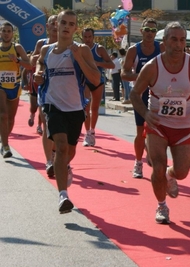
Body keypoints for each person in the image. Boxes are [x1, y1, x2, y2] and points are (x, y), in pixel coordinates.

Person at [130, 21, 190, 224]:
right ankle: (162, 206)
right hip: (157, 125)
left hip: (183, 127)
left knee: (182, 172)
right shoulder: (152, 67)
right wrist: (146, 114)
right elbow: (135, 94)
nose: (178, 44)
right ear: (164, 41)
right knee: (157, 166)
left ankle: (169, 175)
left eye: (182, 40)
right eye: (174, 39)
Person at [34, 10, 100, 214]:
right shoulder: (46, 50)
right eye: (63, 22)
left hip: (75, 108)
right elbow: (39, 64)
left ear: (75, 28)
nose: (65, 26)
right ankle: (63, 196)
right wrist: (38, 73)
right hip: (52, 105)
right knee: (62, 147)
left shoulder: (81, 50)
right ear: (56, 25)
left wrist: (79, 58)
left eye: (71, 24)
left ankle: (61, 164)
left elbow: (96, 80)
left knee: (69, 151)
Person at [121, 18, 165, 179]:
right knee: (141, 131)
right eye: (147, 30)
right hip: (140, 95)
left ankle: (159, 159)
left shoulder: (161, 48)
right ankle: (138, 162)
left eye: (153, 31)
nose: (150, 33)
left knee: (160, 131)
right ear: (141, 31)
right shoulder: (134, 50)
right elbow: (124, 74)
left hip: (159, 95)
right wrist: (141, 77)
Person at [31, 15, 58, 177]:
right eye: (52, 24)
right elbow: (32, 60)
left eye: (58, 23)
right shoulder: (42, 44)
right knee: (48, 124)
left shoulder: (69, 45)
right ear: (47, 26)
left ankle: (55, 153)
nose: (55, 27)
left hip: (65, 92)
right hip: (46, 89)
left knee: (61, 130)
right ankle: (49, 161)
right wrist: (37, 66)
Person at [0, 22, 32, 158]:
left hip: (14, 86)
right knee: (3, 115)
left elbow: (29, 65)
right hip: (0, 85)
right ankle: (6, 147)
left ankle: (3, 141)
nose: (6, 33)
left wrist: (17, 61)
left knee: (11, 119)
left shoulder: (17, 47)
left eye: (8, 31)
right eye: (4, 31)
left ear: (12, 34)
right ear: (0, 33)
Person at [81, 28, 115, 147]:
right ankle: (87, 134)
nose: (87, 39)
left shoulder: (99, 49)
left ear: (93, 37)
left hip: (97, 81)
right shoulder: (80, 49)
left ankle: (92, 131)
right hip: (84, 81)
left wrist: (98, 63)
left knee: (94, 109)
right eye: (85, 37)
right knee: (86, 108)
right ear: (82, 37)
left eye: (89, 37)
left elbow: (111, 64)